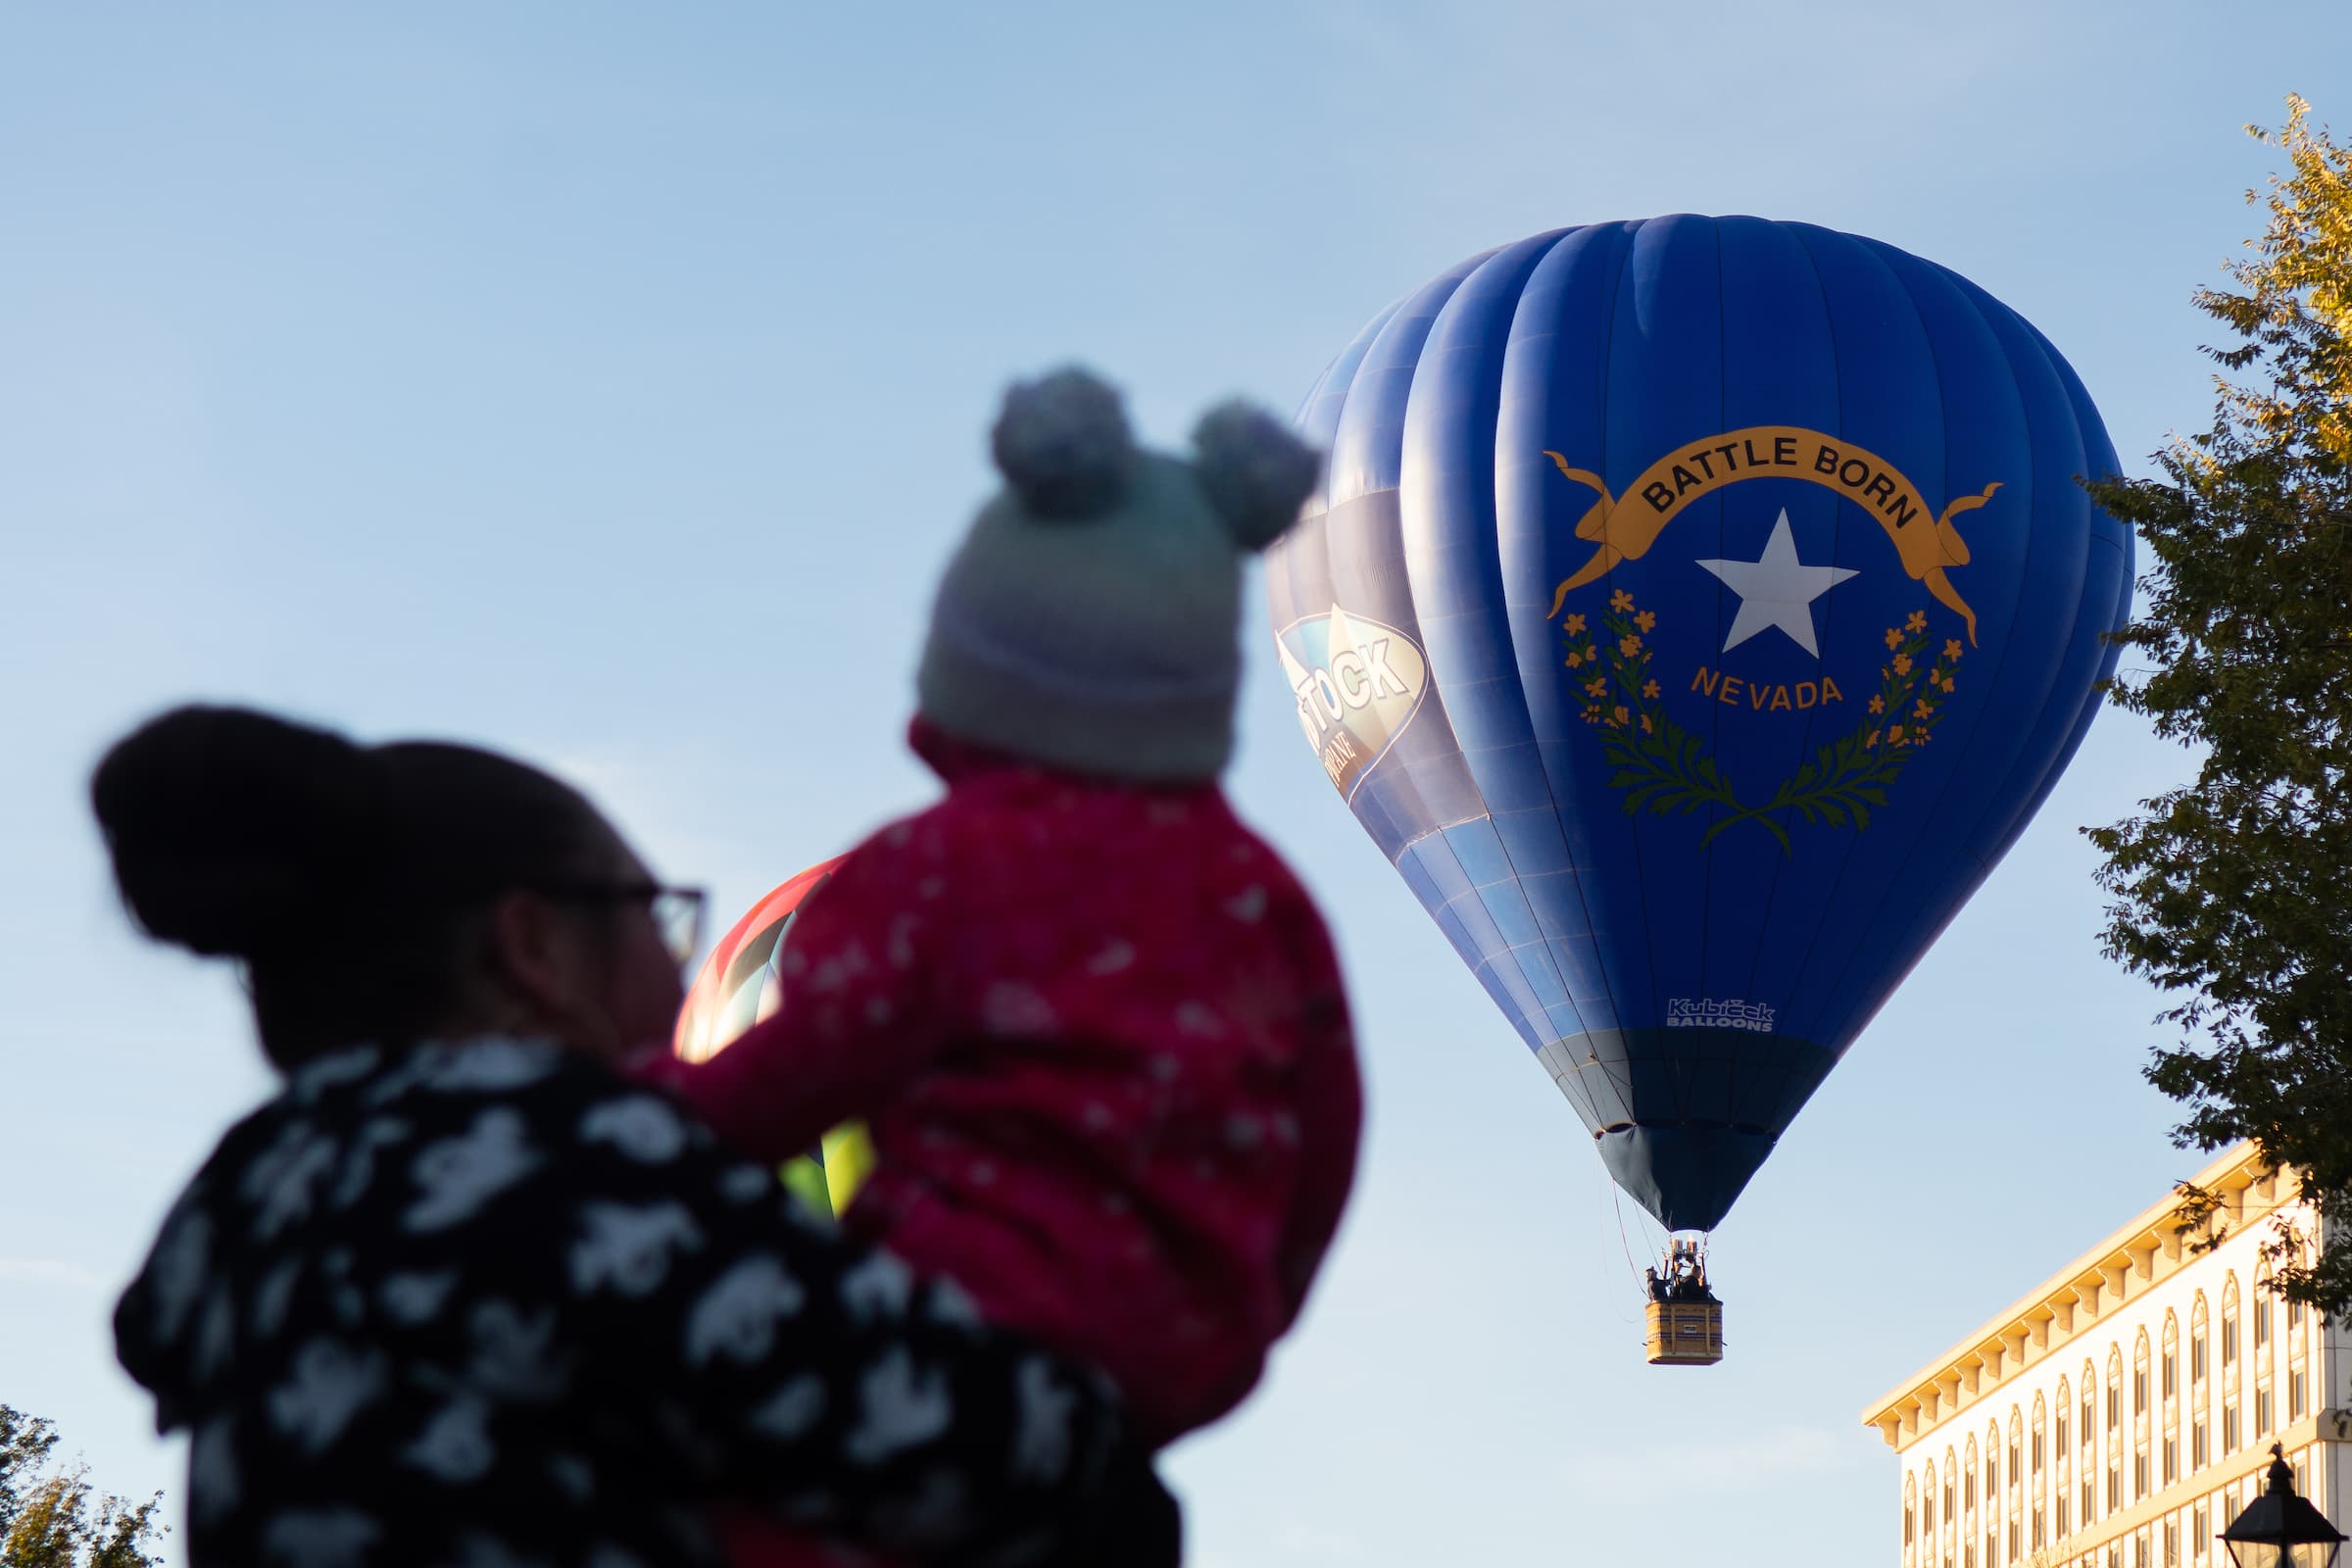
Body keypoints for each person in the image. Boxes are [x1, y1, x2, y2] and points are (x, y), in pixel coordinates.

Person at [94, 704, 1174, 1568]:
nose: (677, 965)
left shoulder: (238, 1216)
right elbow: (988, 1456)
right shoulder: (574, 1164)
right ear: (534, 947)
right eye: (658, 914)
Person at [641, 368, 1365, 1567]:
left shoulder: (937, 867)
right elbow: (1324, 1124)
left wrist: (636, 1116)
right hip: (1166, 1361)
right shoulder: (1262, 892)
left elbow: (808, 1063)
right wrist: (1251, 1313)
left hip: (949, 1336)